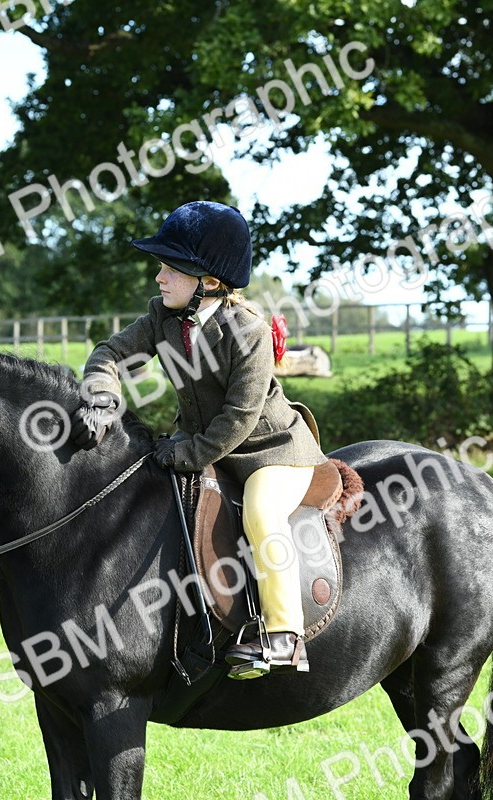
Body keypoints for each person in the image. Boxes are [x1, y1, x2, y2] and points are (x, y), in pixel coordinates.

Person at [68, 200, 330, 679]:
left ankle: (284, 636)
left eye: (170, 268)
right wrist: (103, 398)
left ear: (208, 282)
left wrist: (186, 453)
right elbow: (109, 353)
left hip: (271, 452)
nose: (159, 278)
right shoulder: (162, 317)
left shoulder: (247, 330)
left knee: (261, 512)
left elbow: (239, 416)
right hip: (203, 445)